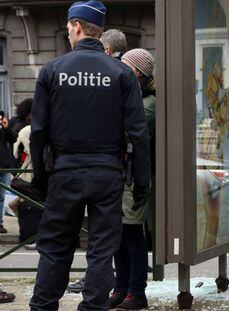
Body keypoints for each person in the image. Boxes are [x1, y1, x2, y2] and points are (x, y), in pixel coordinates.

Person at [29, 1, 151, 310]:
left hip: (65, 171)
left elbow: (39, 130)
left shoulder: (52, 70)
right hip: (108, 172)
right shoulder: (121, 74)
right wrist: (141, 181)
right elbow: (138, 133)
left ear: (77, 26)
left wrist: (40, 177)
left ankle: (43, 306)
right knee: (101, 251)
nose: (68, 32)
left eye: (69, 27)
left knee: (55, 248)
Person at [67, 27, 128, 296]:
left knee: (99, 238)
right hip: (112, 169)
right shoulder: (122, 76)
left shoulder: (118, 75)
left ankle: (106, 285)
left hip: (92, 168)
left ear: (108, 51)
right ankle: (103, 290)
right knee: (105, 238)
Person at [107, 48, 156, 310]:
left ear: (138, 73)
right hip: (120, 173)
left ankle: (137, 290)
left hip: (134, 176)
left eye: (124, 67)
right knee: (119, 233)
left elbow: (125, 131)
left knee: (132, 233)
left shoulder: (148, 102)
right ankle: (121, 286)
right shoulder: (132, 96)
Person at [0, 110, 17, 233]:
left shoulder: (3, 128)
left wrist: (6, 128)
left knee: (1, 197)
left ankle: (0, 223)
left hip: (4, 166)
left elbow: (13, 139)